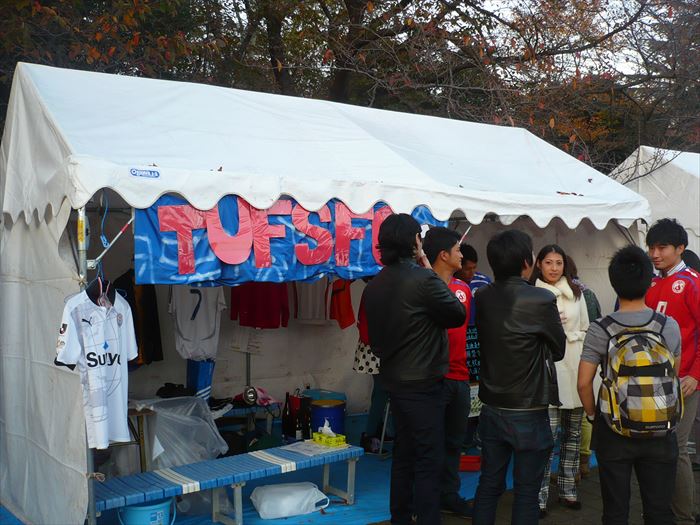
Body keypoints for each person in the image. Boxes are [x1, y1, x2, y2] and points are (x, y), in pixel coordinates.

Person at [362, 213, 467, 525]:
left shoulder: (375, 284)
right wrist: (425, 264)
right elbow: (456, 313)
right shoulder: (422, 278)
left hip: (395, 380)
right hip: (424, 383)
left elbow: (374, 340)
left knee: (405, 455)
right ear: (415, 242)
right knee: (428, 459)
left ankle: (401, 517)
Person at [578, 245, 681, 524]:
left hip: (614, 428)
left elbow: (584, 383)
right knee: (659, 511)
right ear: (649, 281)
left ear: (614, 282)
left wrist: (593, 415)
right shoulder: (668, 326)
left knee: (615, 511)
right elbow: (674, 375)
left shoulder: (600, 328)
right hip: (661, 428)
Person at [472, 230, 566, 525]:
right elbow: (559, 349)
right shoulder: (541, 299)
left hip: (492, 405)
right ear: (527, 262)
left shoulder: (482, 296)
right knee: (526, 491)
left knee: (489, 483)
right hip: (528, 408)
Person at [644, 219, 700, 525]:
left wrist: (696, 374)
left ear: (680, 248)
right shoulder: (651, 283)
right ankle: (659, 511)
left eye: (662, 247)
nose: (655, 253)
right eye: (651, 247)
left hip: (685, 381)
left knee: (677, 449)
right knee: (655, 448)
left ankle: (684, 517)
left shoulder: (692, 283)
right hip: (652, 380)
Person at [531, 245, 589, 515]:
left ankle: (568, 490)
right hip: (549, 369)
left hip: (575, 366)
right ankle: (539, 497)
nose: (554, 268)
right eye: (548, 262)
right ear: (539, 264)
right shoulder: (532, 294)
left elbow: (586, 328)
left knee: (573, 435)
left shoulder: (577, 293)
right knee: (547, 437)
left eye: (559, 263)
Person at [423, 227, 473, 517]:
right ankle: (425, 499)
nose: (461, 255)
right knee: (429, 443)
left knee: (455, 442)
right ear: (443, 255)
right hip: (431, 378)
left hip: (460, 377)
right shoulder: (422, 287)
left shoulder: (463, 289)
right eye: (457, 250)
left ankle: (449, 495)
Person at [566, 254, 603, 478]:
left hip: (572, 354)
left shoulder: (572, 294)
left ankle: (575, 466)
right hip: (590, 354)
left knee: (575, 410)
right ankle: (584, 461)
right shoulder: (588, 292)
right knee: (586, 408)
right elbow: (598, 320)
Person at [455, 244, 492, 448]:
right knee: (464, 388)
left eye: (474, 268)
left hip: (480, 337)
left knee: (480, 387)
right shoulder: (448, 283)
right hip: (460, 339)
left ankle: (479, 433)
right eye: (467, 268)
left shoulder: (483, 282)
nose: (471, 273)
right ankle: (463, 437)